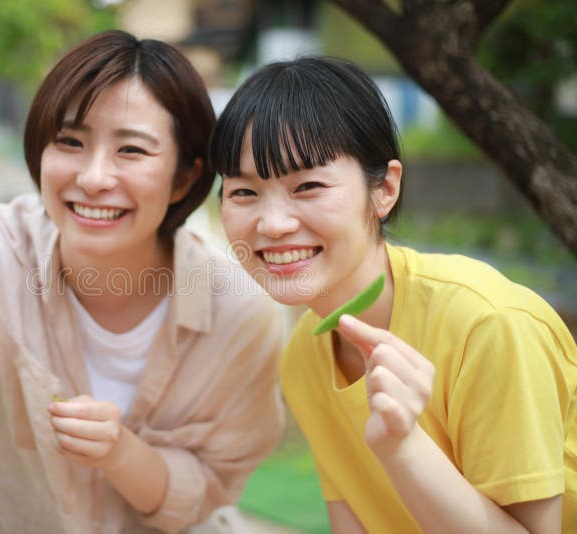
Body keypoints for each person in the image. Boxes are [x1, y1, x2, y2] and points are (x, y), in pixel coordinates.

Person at [0, 30, 284, 533]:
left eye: (131, 150)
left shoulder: (240, 310)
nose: (93, 178)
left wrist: (122, 453)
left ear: (184, 177)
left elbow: (206, 492)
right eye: (70, 141)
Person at [210, 55, 577, 532]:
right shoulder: (304, 355)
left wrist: (403, 447)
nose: (273, 224)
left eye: (309, 186)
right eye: (242, 192)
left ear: (384, 188)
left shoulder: (488, 324)